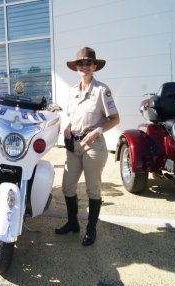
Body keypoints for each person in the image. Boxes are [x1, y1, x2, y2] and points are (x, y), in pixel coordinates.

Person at [55, 47, 120, 246]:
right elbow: (71, 115)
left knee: (93, 190)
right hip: (74, 145)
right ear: (76, 68)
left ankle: (91, 230)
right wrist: (67, 126)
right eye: (80, 63)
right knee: (68, 187)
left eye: (88, 63)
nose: (84, 67)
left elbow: (115, 119)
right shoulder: (73, 91)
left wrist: (97, 131)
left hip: (93, 146)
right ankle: (73, 223)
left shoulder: (102, 90)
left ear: (94, 66)